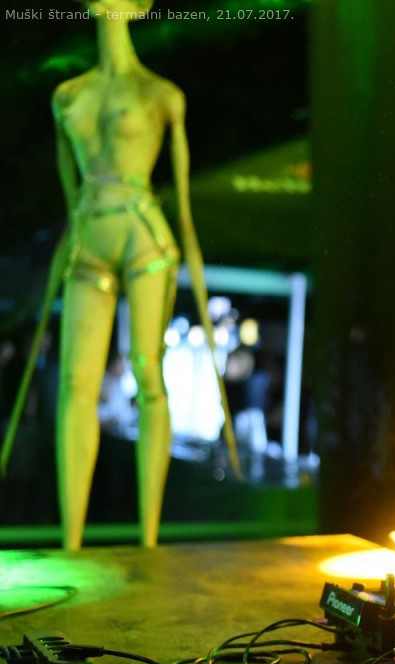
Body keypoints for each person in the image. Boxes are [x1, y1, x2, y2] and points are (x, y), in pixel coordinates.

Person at [11, 0, 232, 549]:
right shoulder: (68, 96)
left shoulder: (161, 94)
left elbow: (184, 209)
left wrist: (196, 269)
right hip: (88, 235)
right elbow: (70, 198)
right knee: (75, 384)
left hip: (143, 237)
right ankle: (71, 541)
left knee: (147, 373)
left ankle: (149, 538)